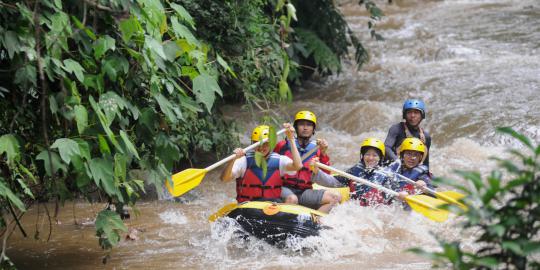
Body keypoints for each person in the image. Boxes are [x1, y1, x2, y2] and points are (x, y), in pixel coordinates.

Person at [273, 110, 340, 213]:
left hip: (304, 192)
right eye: (301, 124)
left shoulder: (317, 149)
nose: (305, 128)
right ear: (296, 127)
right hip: (284, 188)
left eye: (309, 125)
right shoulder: (283, 145)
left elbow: (326, 175)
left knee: (335, 197)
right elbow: (270, 166)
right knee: (292, 199)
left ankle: (315, 223)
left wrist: (323, 153)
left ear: (313, 129)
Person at [310, 137, 406, 206]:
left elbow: (396, 192)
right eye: (367, 154)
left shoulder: (386, 175)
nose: (370, 158)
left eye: (375, 155)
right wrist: (316, 172)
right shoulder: (356, 170)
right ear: (362, 156)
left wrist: (401, 195)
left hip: (376, 212)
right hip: (356, 209)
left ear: (380, 158)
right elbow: (333, 182)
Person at [220, 124, 302, 203]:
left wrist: (291, 139)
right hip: (248, 206)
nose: (261, 148)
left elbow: (298, 166)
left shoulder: (280, 160)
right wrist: (232, 160)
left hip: (270, 208)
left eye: (265, 144)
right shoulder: (243, 160)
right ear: (253, 144)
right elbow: (224, 179)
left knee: (292, 199)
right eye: (258, 144)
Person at [384, 99, 432, 168]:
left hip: (411, 171)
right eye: (409, 112)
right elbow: (386, 147)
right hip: (394, 167)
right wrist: (397, 161)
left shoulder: (426, 137)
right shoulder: (396, 129)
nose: (412, 115)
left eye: (416, 112)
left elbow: (425, 162)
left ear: (422, 115)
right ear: (404, 115)